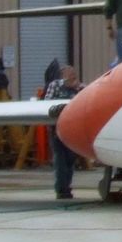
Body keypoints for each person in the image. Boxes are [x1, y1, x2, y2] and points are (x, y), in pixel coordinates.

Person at [45, 65, 82, 201]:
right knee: (60, 160)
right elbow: (47, 104)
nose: (73, 75)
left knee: (70, 160)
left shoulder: (79, 88)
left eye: (74, 73)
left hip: (73, 129)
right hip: (57, 129)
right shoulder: (55, 86)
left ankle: (67, 186)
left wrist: (77, 89)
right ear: (63, 75)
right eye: (70, 73)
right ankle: (62, 190)